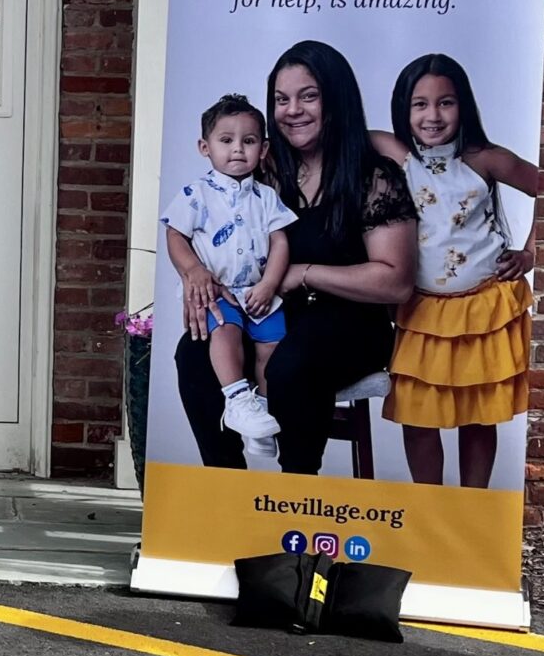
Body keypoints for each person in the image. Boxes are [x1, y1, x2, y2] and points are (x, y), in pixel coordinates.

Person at [173, 41, 418, 476]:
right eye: (281, 99)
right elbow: (193, 227)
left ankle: (297, 490)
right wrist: (196, 276)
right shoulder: (262, 172)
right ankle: (224, 487)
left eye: (308, 96)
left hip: (350, 322)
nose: (292, 111)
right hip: (275, 311)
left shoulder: (371, 175)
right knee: (194, 351)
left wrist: (303, 273)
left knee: (292, 364)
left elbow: (396, 281)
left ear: (335, 99)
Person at [374, 54, 537, 488]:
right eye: (420, 104)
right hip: (421, 311)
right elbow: (340, 134)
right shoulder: (396, 154)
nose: (433, 115)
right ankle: (430, 506)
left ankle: (473, 505)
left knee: (478, 416)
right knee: (418, 418)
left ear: (463, 104)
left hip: (483, 307)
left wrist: (530, 253)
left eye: (445, 102)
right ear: (403, 108)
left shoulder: (485, 158)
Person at [161, 94, 297, 456]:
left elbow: (280, 242)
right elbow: (175, 235)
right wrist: (194, 270)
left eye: (248, 141)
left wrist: (269, 284)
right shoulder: (196, 194)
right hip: (218, 292)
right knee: (226, 331)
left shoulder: (266, 197)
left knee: (272, 345)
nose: (238, 149)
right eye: (226, 140)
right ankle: (237, 399)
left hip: (257, 291)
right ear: (205, 147)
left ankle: (260, 417)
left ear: (263, 149)